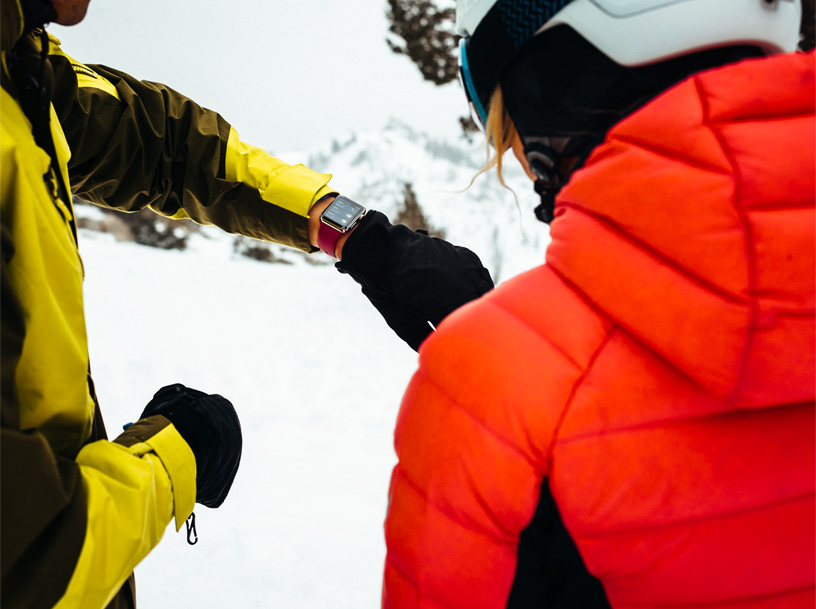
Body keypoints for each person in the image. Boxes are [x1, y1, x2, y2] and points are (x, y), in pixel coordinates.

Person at [0, 0, 493, 607]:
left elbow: (175, 148)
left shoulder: (19, 72)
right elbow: (30, 563)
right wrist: (179, 450)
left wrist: (356, 234)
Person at [380, 0, 815, 607]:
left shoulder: (492, 389)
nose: (517, 158)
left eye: (499, 110)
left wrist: (499, 369)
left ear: (551, 68)